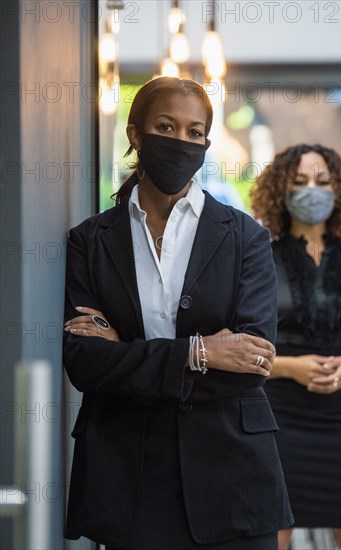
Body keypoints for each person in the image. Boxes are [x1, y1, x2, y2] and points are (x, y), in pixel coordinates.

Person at [63, 77, 293, 549]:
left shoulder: (245, 237)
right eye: (166, 126)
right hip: (130, 473)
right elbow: (86, 363)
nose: (182, 141)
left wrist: (128, 353)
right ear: (136, 134)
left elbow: (253, 362)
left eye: (195, 132)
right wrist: (199, 351)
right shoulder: (90, 240)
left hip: (231, 474)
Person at [250, 144, 341, 550]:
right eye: (299, 182)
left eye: (322, 181)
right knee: (273, 537)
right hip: (278, 416)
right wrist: (291, 367)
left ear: (340, 190)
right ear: (281, 190)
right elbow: (241, 349)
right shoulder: (260, 257)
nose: (312, 190)